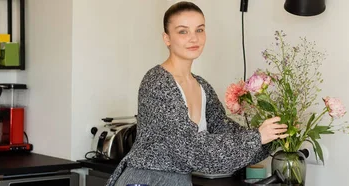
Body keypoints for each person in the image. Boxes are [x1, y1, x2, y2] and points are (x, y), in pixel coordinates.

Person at [106, 1, 288, 186]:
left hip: (180, 181)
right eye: (183, 31)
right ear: (167, 38)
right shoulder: (156, 82)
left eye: (199, 30)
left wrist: (277, 134)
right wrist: (257, 137)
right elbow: (189, 149)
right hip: (145, 180)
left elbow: (227, 133)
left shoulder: (203, 87)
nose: (194, 38)